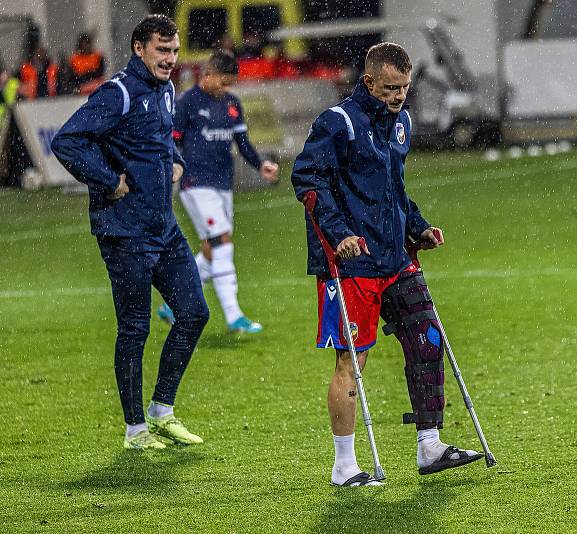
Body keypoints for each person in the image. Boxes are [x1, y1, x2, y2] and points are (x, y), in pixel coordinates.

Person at [291, 42, 482, 487]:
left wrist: (418, 226)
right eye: (390, 88)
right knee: (351, 362)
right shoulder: (338, 123)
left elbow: (395, 189)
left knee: (427, 339)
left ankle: (430, 444)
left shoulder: (401, 124)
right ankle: (344, 467)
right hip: (353, 264)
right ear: (369, 81)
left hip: (395, 258)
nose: (398, 96)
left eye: (405, 87)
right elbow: (308, 180)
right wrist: (340, 236)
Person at [51, 14, 209, 450]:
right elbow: (66, 141)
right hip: (125, 233)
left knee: (195, 314)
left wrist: (174, 157)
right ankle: (135, 430)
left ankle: (162, 412)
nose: (170, 59)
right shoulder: (117, 92)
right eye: (162, 50)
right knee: (135, 328)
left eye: (175, 51)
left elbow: (158, 138)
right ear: (139, 49)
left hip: (164, 227)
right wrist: (108, 179)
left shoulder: (166, 89)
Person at [156, 49, 279, 334]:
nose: (226, 88)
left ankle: (173, 304)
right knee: (222, 242)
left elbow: (242, 141)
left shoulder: (232, 104)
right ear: (207, 74)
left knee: (213, 251)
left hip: (223, 185)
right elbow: (170, 141)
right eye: (223, 82)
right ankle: (234, 315)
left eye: (230, 83)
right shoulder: (186, 103)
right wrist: (173, 166)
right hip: (195, 184)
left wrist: (261, 165)